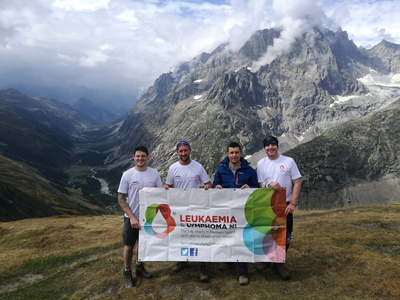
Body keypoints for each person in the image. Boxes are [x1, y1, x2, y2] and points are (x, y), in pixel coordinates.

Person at [164, 141, 212, 282]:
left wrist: (208, 186)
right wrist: (166, 187)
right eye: (181, 151)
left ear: (190, 150)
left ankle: (202, 266)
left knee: (198, 236)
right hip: (179, 208)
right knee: (181, 235)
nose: (183, 153)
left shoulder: (198, 167)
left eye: (186, 150)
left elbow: (208, 183)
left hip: (196, 208)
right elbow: (169, 185)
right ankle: (182, 261)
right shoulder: (173, 168)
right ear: (177, 152)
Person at [212, 142, 258, 286]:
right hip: (225, 210)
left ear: (241, 153)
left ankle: (242, 272)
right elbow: (215, 185)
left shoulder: (249, 170)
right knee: (226, 235)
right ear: (227, 154)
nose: (234, 155)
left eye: (236, 152)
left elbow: (256, 188)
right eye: (231, 153)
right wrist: (217, 187)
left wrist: (250, 188)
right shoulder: (221, 169)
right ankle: (228, 261)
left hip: (242, 211)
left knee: (240, 239)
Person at [256, 136, 301, 280]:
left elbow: (297, 183)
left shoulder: (288, 161)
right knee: (269, 234)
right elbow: (261, 184)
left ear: (277, 146)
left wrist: (292, 203)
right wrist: (270, 184)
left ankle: (278, 263)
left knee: (286, 236)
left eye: (273, 145)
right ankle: (268, 261)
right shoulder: (261, 163)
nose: (270, 148)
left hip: (285, 204)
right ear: (264, 148)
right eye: (267, 146)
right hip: (268, 204)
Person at [118, 145, 163, 288]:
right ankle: (127, 273)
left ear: (148, 157)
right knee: (129, 246)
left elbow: (161, 194)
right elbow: (121, 198)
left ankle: (139, 268)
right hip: (131, 217)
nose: (140, 158)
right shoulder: (127, 174)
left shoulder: (154, 174)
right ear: (134, 157)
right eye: (137, 156)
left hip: (148, 217)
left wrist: (150, 191)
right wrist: (131, 217)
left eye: (143, 156)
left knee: (142, 245)